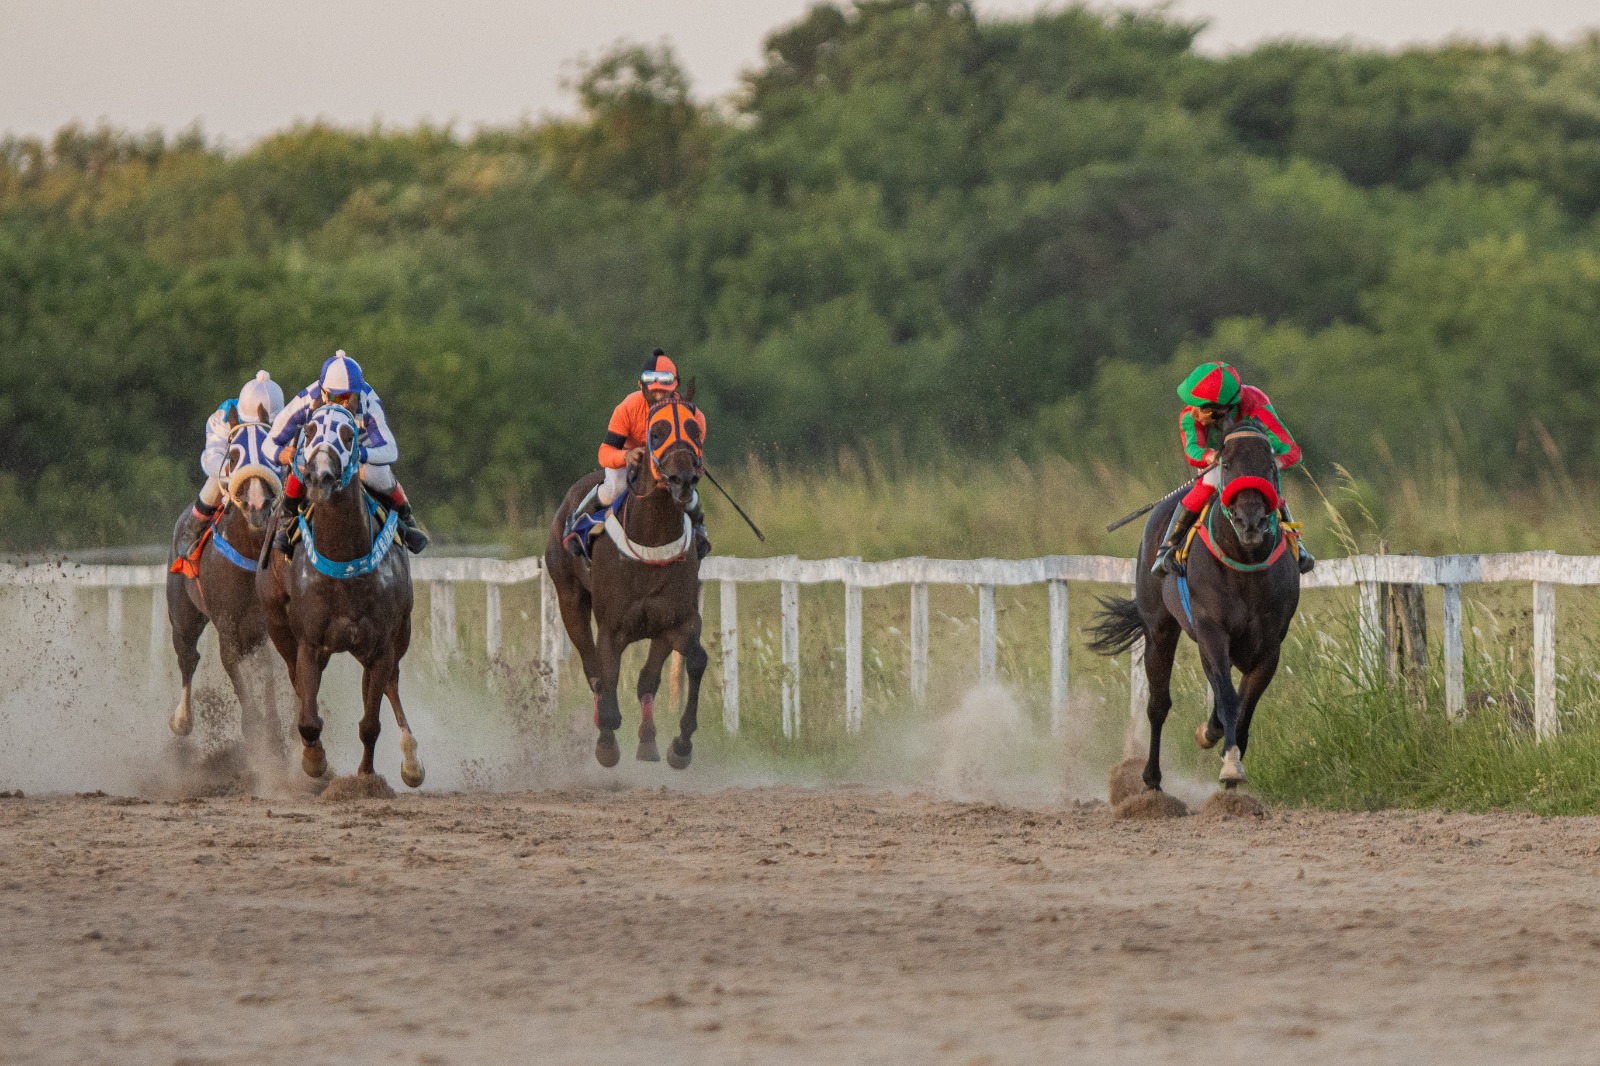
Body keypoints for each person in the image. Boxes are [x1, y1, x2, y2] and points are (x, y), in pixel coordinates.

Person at [1150, 361, 1314, 576]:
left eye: (1200, 408)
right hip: (1218, 461)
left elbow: (1291, 450)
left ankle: (1298, 548)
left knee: (1269, 482)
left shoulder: (1255, 402)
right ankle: (1166, 549)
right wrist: (1211, 456)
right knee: (1209, 482)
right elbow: (1192, 450)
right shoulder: (1190, 415)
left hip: (1253, 461)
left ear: (1221, 409)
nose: (1193, 412)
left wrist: (1275, 463)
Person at [268, 350, 429, 555]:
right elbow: (269, 442)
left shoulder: (369, 402)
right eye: (337, 396)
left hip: (358, 449)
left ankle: (406, 517)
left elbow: (390, 451)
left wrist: (357, 454)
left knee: (377, 474)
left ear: (359, 392)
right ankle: (287, 521)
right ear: (323, 393)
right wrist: (282, 454)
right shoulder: (306, 400)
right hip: (320, 453)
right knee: (300, 462)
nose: (344, 403)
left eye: (350, 396)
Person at [564, 348, 709, 559]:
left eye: (664, 391)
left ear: (675, 386)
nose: (658, 396)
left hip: (664, 466)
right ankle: (576, 521)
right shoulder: (628, 408)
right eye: (653, 391)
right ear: (641, 386)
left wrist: (693, 465)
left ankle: (699, 529)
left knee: (688, 490)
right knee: (614, 487)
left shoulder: (693, 415)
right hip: (630, 462)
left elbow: (694, 455)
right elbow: (604, 453)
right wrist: (625, 456)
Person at [174, 371, 285, 558]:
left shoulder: (286, 418)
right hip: (234, 475)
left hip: (273, 474)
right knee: (214, 481)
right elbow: (211, 456)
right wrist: (229, 467)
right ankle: (193, 528)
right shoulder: (224, 417)